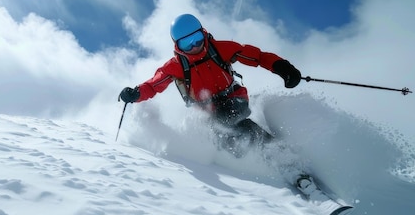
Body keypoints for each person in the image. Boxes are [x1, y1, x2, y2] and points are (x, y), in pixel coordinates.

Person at [119, 13, 302, 149]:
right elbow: (154, 84)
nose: (195, 46)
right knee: (222, 138)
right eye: (187, 44)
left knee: (228, 119)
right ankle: (253, 159)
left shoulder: (220, 49)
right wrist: (135, 93)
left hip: (234, 97)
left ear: (203, 34)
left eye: (197, 39)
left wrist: (282, 67)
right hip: (207, 110)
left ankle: (274, 150)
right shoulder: (176, 66)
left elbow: (257, 56)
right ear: (177, 45)